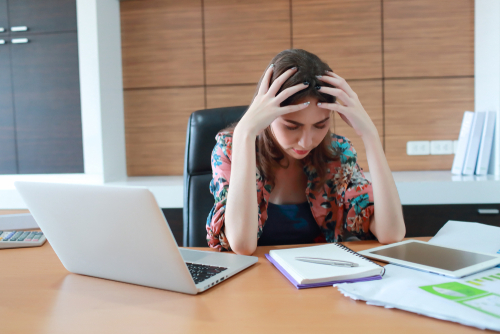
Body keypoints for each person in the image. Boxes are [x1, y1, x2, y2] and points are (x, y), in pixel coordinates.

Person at [206, 49, 405, 255]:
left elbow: (391, 233)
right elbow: (242, 245)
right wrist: (244, 133)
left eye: (320, 125)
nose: (306, 141)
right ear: (265, 113)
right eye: (292, 126)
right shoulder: (231, 147)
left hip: (318, 281)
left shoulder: (338, 153)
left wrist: (370, 136)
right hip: (255, 282)